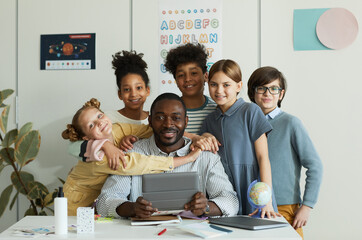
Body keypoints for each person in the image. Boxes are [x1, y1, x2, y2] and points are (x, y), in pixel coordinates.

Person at [96, 93, 239, 218]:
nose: (168, 124)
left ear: (186, 121)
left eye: (176, 118)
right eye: (160, 117)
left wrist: (206, 207)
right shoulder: (132, 154)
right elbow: (104, 202)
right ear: (150, 121)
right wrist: (132, 208)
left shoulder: (206, 157)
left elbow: (231, 202)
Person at [62, 98, 200, 216]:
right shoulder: (98, 158)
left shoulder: (118, 129)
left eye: (99, 116)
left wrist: (195, 137)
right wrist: (187, 159)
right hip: (74, 203)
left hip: (96, 198)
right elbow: (138, 164)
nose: (99, 123)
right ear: (86, 138)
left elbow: (150, 130)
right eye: (91, 125)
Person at [247, 66, 323, 238]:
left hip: (284, 206)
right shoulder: (246, 124)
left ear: (281, 94)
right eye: (261, 88)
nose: (267, 93)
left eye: (273, 89)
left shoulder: (291, 123)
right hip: (250, 205)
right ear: (253, 93)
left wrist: (307, 206)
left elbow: (315, 166)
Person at [199, 59, 280, 218]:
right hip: (225, 191)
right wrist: (205, 135)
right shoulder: (209, 121)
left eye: (226, 85)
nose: (219, 90)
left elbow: (263, 157)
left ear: (238, 86)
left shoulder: (251, 111)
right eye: (213, 84)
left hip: (254, 190)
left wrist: (266, 200)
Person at [164, 43, 217, 135]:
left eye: (193, 73)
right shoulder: (168, 112)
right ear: (176, 80)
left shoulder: (217, 109)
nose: (187, 79)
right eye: (181, 75)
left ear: (205, 76)